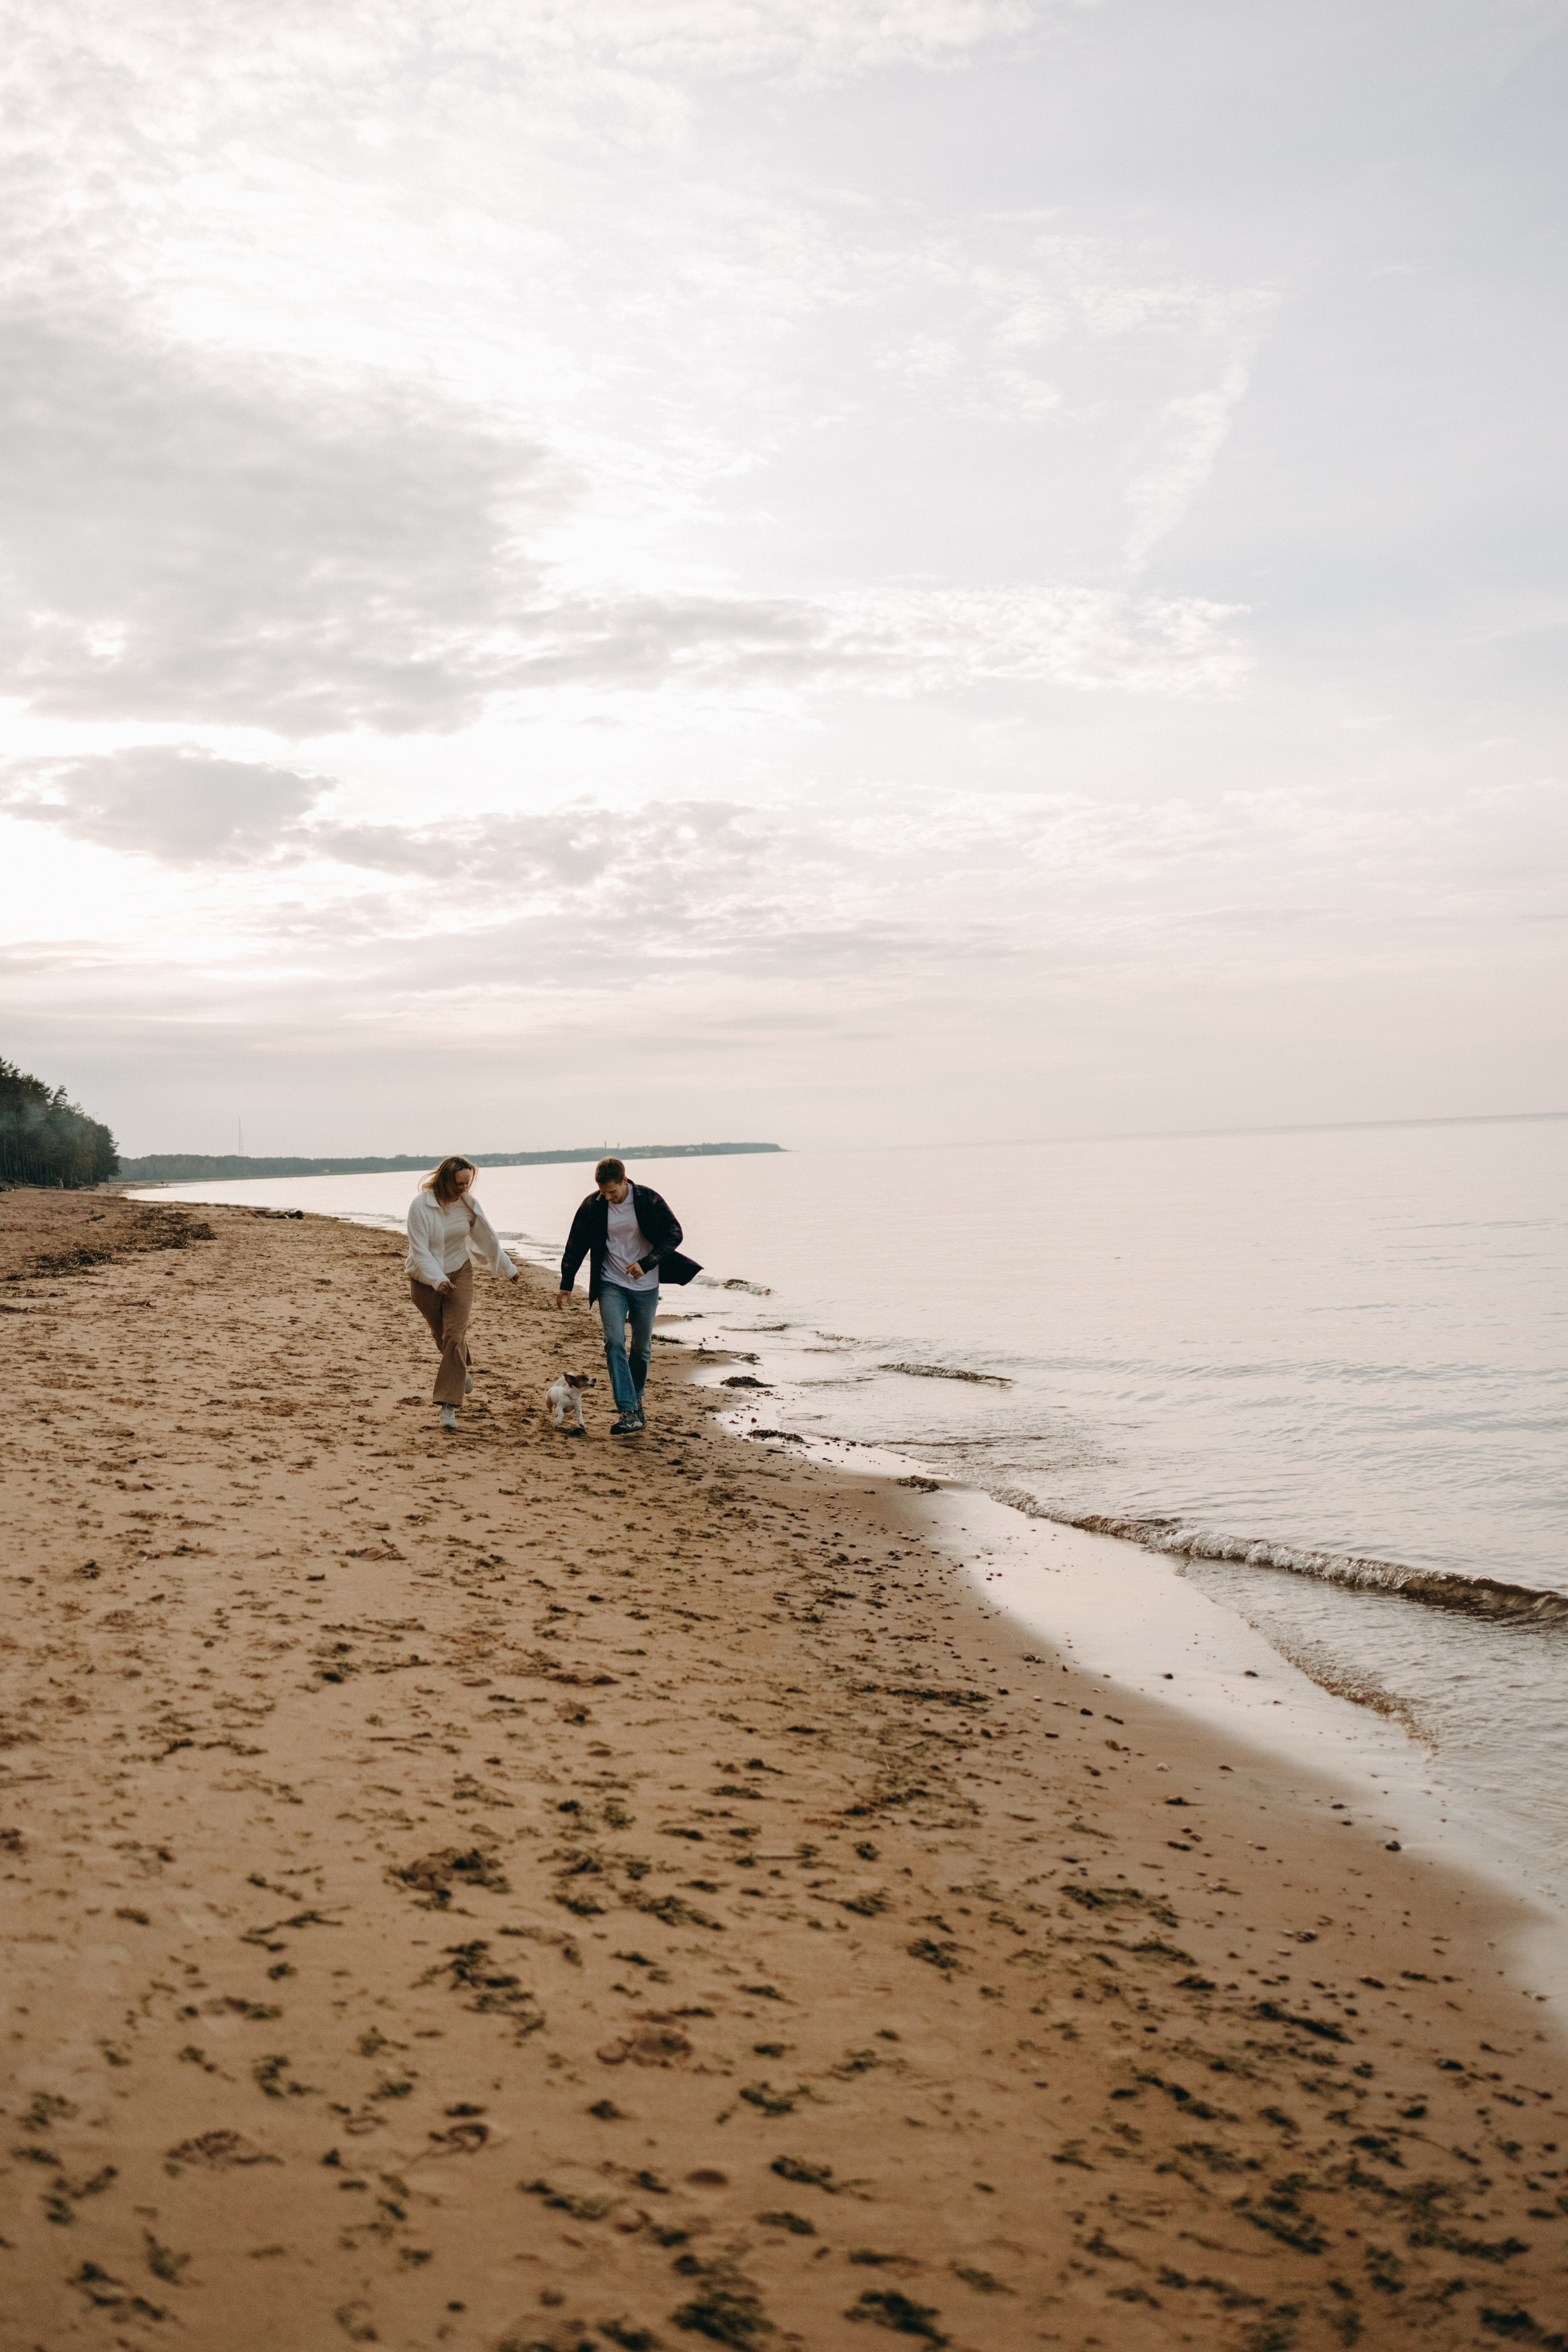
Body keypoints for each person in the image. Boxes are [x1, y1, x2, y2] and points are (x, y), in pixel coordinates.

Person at [555, 1158, 701, 1435]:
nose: (608, 1197)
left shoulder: (647, 1199)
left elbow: (675, 1234)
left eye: (613, 1192)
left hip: (646, 1285)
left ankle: (635, 1400)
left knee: (642, 1348)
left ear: (625, 1181)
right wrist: (567, 1281)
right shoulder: (593, 1205)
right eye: (604, 1193)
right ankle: (628, 1410)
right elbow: (576, 1243)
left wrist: (647, 1263)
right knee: (614, 1341)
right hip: (610, 1282)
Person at [405, 1156, 520, 1433]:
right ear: (445, 1180)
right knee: (443, 1337)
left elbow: (487, 1240)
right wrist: (437, 1279)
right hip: (424, 1281)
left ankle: (449, 1404)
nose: (464, 1189)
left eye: (468, 1183)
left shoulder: (468, 1205)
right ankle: (460, 1372)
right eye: (459, 1184)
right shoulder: (421, 1206)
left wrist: (508, 1269)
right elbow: (420, 1251)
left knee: (455, 1336)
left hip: (460, 1272)